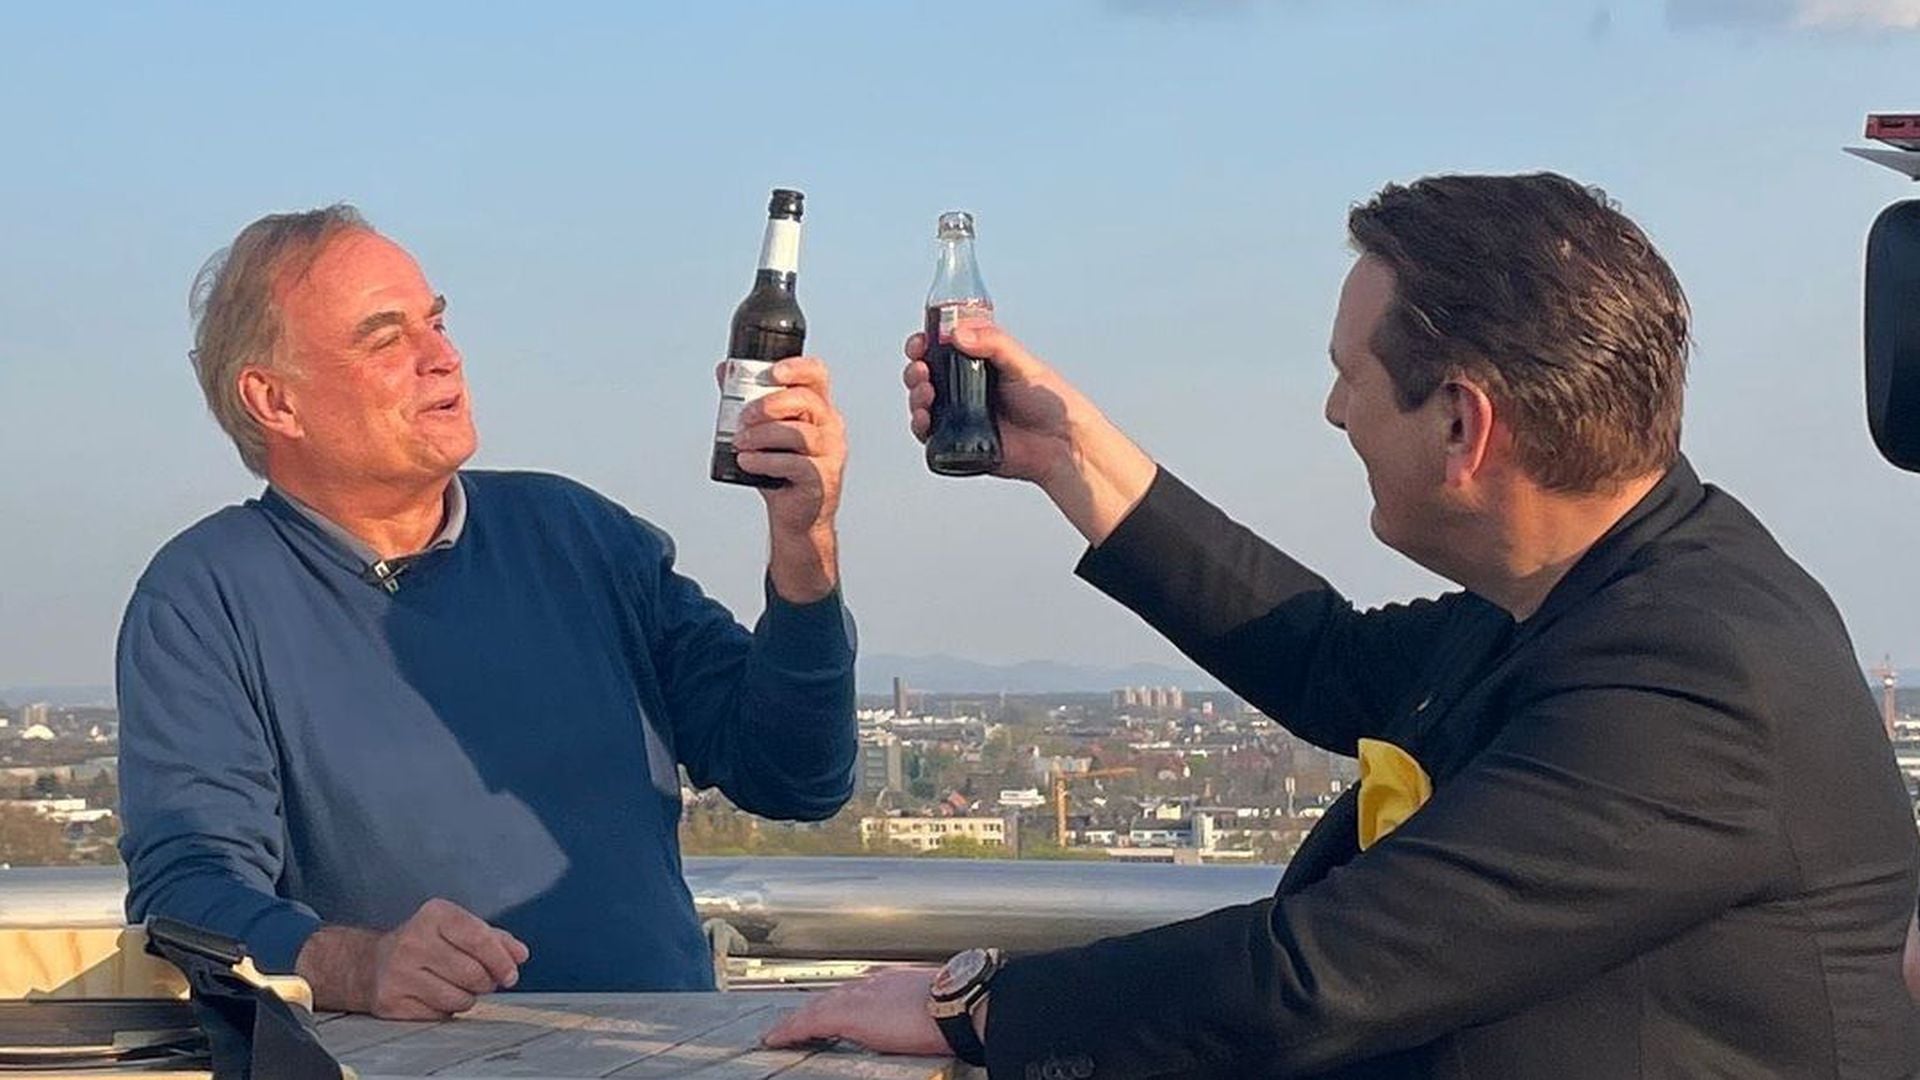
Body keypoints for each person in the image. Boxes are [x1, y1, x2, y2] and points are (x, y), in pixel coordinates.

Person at [764, 173, 1920, 1077]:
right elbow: (1326, 659)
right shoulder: (1600, 596)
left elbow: (1320, 975)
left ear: (1461, 425)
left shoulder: (1692, 676)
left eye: (1349, 376)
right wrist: (1066, 452)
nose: (1332, 412)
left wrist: (975, 1005)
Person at [117, 205, 857, 1020]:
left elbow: (797, 776)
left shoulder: (577, 534)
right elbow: (186, 890)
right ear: (274, 401)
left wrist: (804, 543)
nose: (443, 356)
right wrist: (354, 967)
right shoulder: (204, 598)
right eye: (386, 339)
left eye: (436, 322)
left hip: (662, 1051)